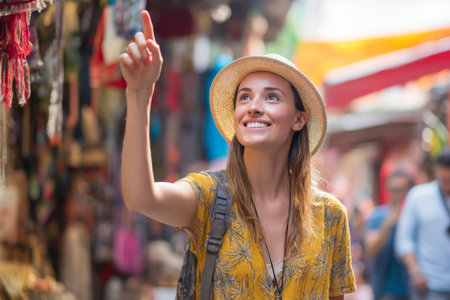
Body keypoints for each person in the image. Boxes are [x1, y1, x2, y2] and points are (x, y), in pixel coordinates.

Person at [119, 10, 356, 299]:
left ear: (299, 120)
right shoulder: (210, 198)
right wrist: (140, 93)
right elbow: (140, 197)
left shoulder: (330, 216)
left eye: (271, 97)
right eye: (244, 96)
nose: (254, 106)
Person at [395, 149, 450, 300]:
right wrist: (415, 272)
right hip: (430, 286)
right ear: (436, 171)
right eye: (444, 180)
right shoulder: (419, 196)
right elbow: (404, 239)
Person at [365, 169, 413, 300]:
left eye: (401, 189)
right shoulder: (377, 216)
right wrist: (389, 222)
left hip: (414, 289)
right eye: (393, 189)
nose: (397, 194)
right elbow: (371, 251)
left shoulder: (415, 217)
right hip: (385, 290)